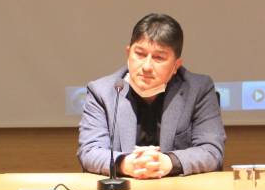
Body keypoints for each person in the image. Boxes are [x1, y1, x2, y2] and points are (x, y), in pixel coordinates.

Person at [77, 13, 225, 178]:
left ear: (176, 65)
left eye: (159, 58)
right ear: (128, 54)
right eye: (140, 54)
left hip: (177, 189)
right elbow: (90, 151)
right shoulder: (101, 92)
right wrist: (127, 164)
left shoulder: (198, 89)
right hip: (122, 189)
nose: (146, 66)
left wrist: (167, 162)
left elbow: (211, 151)